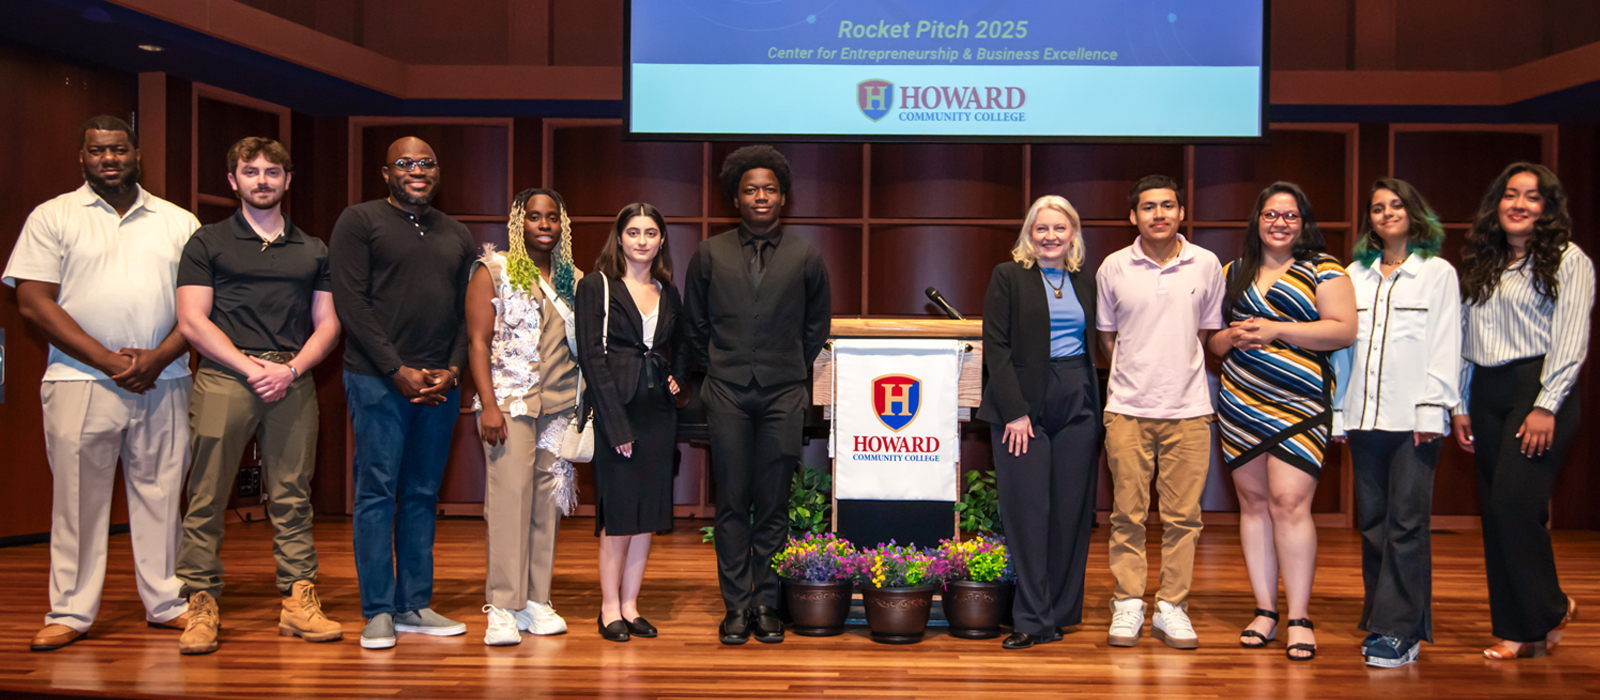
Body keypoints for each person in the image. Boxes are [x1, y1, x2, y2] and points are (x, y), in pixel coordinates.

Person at [6, 115, 197, 651]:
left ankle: (166, 602)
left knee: (162, 496)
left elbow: (203, 307)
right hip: (78, 380)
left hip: (166, 378)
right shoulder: (52, 217)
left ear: (137, 154)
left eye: (117, 150)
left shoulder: (178, 222)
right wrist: (110, 361)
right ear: (82, 158)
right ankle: (69, 612)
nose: (108, 159)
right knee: (77, 500)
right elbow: (33, 302)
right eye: (97, 151)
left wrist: (157, 359)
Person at [171, 137, 344, 654]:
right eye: (251, 171)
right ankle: (200, 603)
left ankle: (298, 602)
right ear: (233, 181)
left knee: (293, 496)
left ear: (288, 180)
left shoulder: (313, 248)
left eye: (273, 172)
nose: (262, 180)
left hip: (292, 378)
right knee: (207, 493)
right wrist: (251, 367)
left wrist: (288, 370)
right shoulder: (207, 242)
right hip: (227, 376)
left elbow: (328, 324)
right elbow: (191, 320)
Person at [331, 137, 475, 649]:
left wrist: (454, 370)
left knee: (420, 494)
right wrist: (395, 368)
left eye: (427, 163)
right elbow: (352, 303)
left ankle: (414, 603)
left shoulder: (456, 233)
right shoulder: (359, 220)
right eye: (406, 163)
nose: (417, 170)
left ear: (438, 172)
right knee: (377, 492)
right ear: (386, 172)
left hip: (438, 386)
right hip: (376, 381)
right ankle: (378, 610)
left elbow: (468, 313)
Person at [684, 145, 831, 645]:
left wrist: (786, 365)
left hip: (783, 394)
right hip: (725, 392)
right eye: (750, 189)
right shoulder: (710, 252)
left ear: (783, 197)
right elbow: (695, 322)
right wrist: (721, 364)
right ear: (736, 198)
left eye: (769, 188)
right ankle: (735, 606)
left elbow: (816, 327)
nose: (760, 196)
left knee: (772, 504)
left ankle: (766, 604)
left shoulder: (806, 256)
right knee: (730, 502)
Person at [1208, 182, 1356, 662]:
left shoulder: (1324, 268)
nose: (1280, 223)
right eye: (1271, 215)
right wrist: (1229, 337)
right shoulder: (1234, 271)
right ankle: (1265, 611)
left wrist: (1276, 329)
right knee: (1253, 504)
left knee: (1290, 503)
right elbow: (1212, 343)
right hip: (1240, 403)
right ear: (1257, 220)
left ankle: (1299, 617)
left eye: (1290, 216)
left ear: (1303, 222)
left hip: (1300, 403)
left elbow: (1342, 329)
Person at [1451, 162, 1592, 660]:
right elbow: (1469, 339)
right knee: (1496, 512)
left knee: (1514, 504)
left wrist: (1546, 404)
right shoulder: (1485, 263)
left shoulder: (1568, 260)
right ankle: (1519, 627)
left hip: (1537, 389)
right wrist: (1461, 402)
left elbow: (1571, 340)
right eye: (1511, 194)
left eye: (1532, 197)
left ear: (1547, 209)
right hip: (1486, 390)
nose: (1519, 204)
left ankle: (1551, 607)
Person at [1329, 178, 1461, 668]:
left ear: (1414, 213)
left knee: (1407, 524)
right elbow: (1342, 352)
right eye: (1378, 208)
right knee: (1374, 526)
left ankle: (1399, 631)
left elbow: (1447, 343)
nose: (1386, 214)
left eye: (1396, 205)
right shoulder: (1353, 275)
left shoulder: (1438, 273)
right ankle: (1381, 616)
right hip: (1364, 417)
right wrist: (1338, 413)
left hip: (1415, 419)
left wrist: (1434, 410)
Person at [1096, 176, 1224, 650]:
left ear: (1181, 212)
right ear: (1133, 217)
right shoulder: (1113, 267)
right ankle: (1128, 602)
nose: (1158, 215)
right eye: (1148, 207)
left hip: (1190, 410)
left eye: (1167, 206)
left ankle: (1172, 607)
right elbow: (1107, 340)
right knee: (1127, 515)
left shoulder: (1207, 264)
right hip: (1127, 409)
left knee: (1183, 518)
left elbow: (1209, 333)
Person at [979, 195, 1101, 651]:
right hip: (1023, 405)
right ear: (1029, 234)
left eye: (1059, 228)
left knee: (1070, 514)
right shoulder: (1008, 276)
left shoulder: (1084, 282)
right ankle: (1031, 619)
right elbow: (996, 346)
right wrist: (1015, 411)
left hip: (1078, 399)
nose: (1050, 236)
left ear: (1073, 234)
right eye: (1041, 229)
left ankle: (1061, 612)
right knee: (1029, 513)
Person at [465, 188, 581, 646]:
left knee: (546, 507)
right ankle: (502, 605)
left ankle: (536, 600)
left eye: (553, 217)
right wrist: (488, 404)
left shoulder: (574, 278)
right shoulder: (493, 270)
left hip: (558, 408)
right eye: (535, 217)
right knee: (509, 503)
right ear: (519, 222)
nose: (545, 225)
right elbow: (477, 343)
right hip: (509, 406)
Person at [575, 202, 690, 643]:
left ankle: (631, 604)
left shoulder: (668, 291)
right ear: (619, 237)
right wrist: (616, 426)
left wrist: (677, 378)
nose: (642, 240)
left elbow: (681, 345)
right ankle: (608, 608)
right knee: (618, 513)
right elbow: (591, 356)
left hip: (658, 412)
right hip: (615, 411)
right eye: (633, 232)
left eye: (651, 233)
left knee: (649, 513)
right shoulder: (596, 286)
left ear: (661, 240)